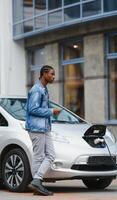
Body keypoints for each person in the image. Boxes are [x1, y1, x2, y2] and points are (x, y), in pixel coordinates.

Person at [25, 65, 61, 195]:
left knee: (51, 155)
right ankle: (37, 185)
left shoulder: (44, 89)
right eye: (51, 74)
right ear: (44, 74)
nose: (53, 76)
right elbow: (32, 109)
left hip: (44, 127)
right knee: (39, 157)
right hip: (36, 128)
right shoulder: (37, 90)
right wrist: (51, 111)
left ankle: (37, 181)